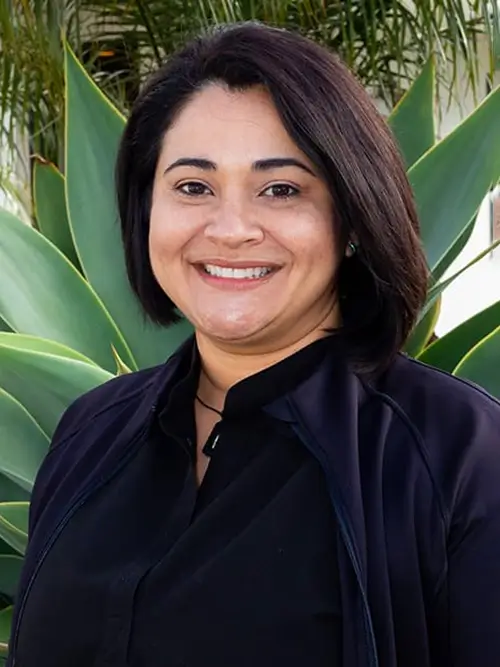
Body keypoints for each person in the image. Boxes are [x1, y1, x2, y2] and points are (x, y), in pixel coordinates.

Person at [8, 21, 500, 667]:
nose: (232, 228)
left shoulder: (459, 456)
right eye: (192, 186)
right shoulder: (90, 432)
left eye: (281, 189)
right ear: (144, 208)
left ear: (351, 217)